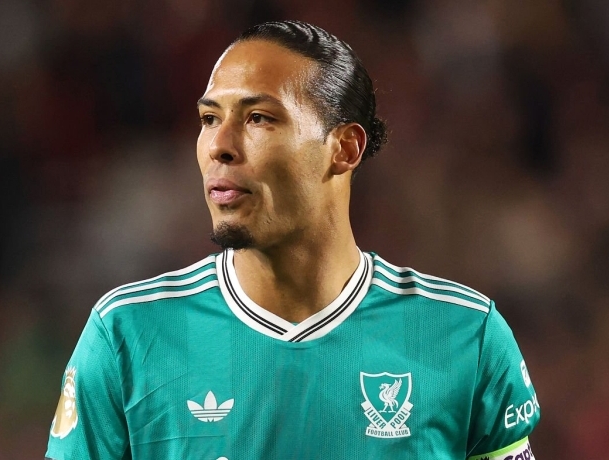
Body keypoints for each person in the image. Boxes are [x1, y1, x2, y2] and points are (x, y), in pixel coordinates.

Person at [46, 20, 540, 460]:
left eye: (258, 118)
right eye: (210, 119)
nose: (219, 146)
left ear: (344, 148)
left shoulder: (465, 335)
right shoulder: (127, 335)